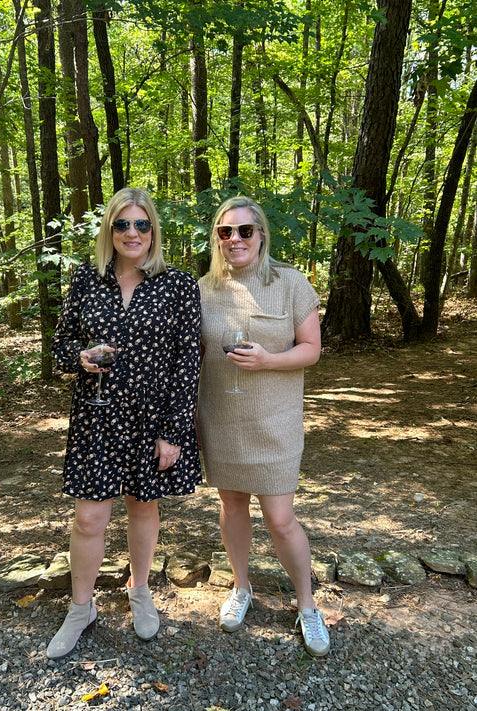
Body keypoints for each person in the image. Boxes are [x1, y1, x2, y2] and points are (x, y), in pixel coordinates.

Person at [48, 187, 201, 659]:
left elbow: (188, 361)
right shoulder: (85, 280)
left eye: (141, 224)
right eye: (122, 224)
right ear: (109, 231)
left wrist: (174, 431)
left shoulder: (178, 285)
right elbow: (57, 350)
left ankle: (140, 591)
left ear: (153, 230)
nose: (131, 233)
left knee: (142, 505)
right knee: (89, 515)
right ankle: (81, 608)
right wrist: (80, 358)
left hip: (153, 418)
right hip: (98, 416)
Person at [197, 195, 330, 657]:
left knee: (279, 517)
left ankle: (308, 605)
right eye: (225, 232)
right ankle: (241, 587)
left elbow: (311, 349)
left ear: (262, 236)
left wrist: (269, 361)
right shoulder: (201, 289)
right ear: (217, 238)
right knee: (233, 507)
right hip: (221, 417)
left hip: (275, 422)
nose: (235, 239)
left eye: (245, 231)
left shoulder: (291, 283)